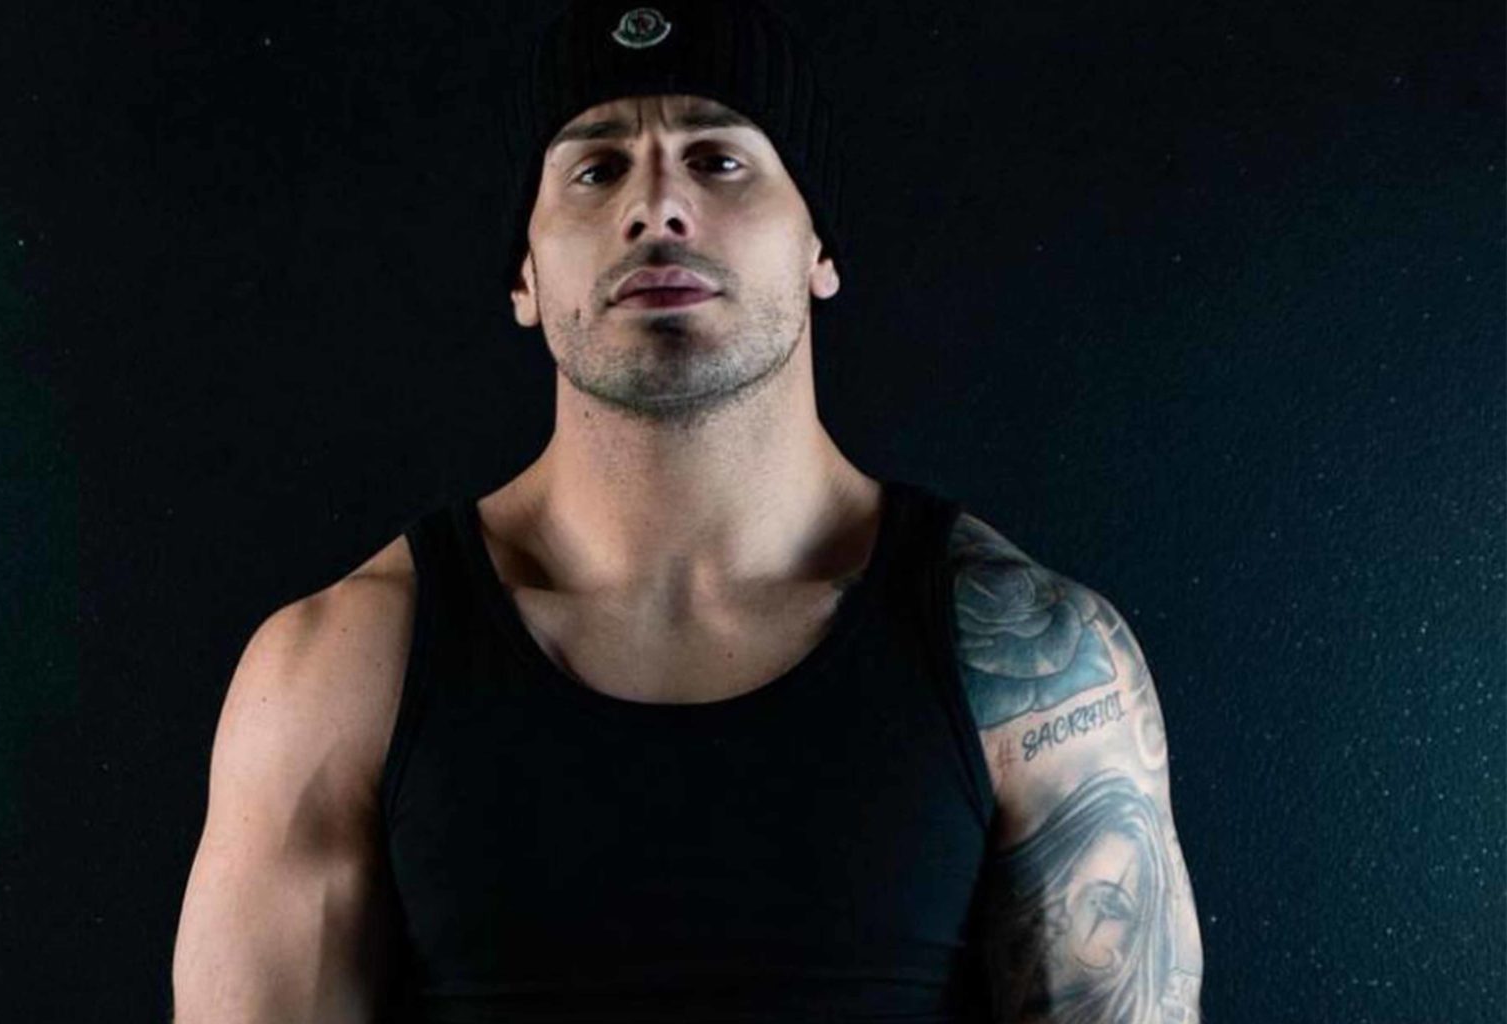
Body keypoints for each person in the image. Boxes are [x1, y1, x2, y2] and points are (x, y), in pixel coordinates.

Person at [171, 1, 1205, 1021]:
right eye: (596, 168)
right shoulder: (341, 670)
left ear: (819, 248)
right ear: (524, 273)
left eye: (718, 160)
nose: (657, 206)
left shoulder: (1037, 668)